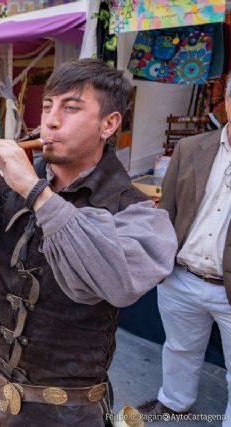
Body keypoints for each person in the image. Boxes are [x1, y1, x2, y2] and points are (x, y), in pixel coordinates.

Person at [0, 59, 177, 426]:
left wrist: (35, 191)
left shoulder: (136, 211)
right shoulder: (6, 186)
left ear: (109, 124)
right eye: (47, 106)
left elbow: (116, 280)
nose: (51, 120)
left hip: (64, 413)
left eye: (71, 108)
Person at [135, 75, 231, 425]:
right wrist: (161, 263)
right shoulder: (191, 149)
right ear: (228, 104)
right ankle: (174, 401)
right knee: (179, 347)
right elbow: (169, 212)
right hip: (183, 276)